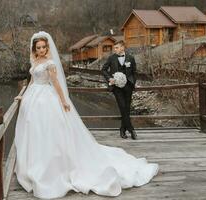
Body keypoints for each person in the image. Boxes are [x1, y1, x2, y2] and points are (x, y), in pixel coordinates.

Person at [14, 31, 159, 199]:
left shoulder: (50, 63)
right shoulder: (34, 60)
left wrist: (63, 101)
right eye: (38, 47)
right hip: (34, 96)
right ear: (34, 48)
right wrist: (23, 94)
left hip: (47, 97)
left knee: (50, 130)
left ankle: (53, 166)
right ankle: (35, 163)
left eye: (44, 47)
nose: (41, 50)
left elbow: (56, 84)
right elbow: (32, 80)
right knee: (36, 130)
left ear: (47, 47)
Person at [101, 40, 137, 140]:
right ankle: (131, 129)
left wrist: (132, 82)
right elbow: (103, 70)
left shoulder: (131, 58)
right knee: (122, 107)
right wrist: (109, 79)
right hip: (116, 87)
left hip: (128, 86)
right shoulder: (111, 58)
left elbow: (134, 72)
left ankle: (122, 129)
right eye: (114, 48)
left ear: (122, 47)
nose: (114, 49)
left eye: (116, 47)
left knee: (127, 108)